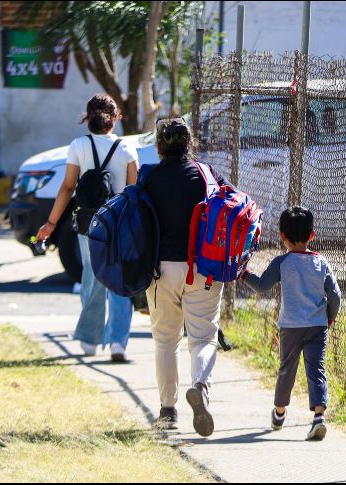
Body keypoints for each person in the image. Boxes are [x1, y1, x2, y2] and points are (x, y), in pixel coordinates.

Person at [142, 118, 229, 436]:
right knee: (204, 338)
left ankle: (167, 412)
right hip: (204, 269)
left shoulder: (148, 178)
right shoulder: (207, 175)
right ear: (190, 143)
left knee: (165, 340)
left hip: (162, 269)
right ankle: (201, 387)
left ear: (158, 147)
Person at [36, 94, 139, 361]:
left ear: (87, 118)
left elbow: (68, 187)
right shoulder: (127, 149)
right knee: (118, 281)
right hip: (118, 223)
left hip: (88, 224)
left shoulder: (78, 145)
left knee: (91, 278)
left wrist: (51, 223)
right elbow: (134, 191)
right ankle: (118, 343)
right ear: (115, 118)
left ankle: (90, 341)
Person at [241, 207, 341, 440]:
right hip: (317, 325)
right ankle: (318, 417)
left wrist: (243, 273)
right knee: (316, 369)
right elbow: (334, 295)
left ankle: (279, 411)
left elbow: (262, 285)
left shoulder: (281, 262)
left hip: (290, 326)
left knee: (287, 368)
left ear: (282, 236)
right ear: (312, 235)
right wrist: (330, 316)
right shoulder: (321, 262)